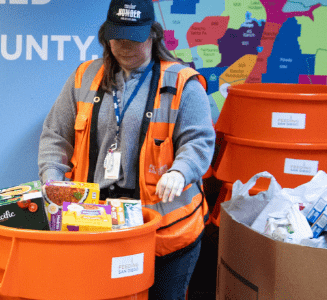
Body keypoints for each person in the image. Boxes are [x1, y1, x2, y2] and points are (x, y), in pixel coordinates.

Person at [37, 0, 216, 298]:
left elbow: (199, 141)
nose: (124, 45)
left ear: (153, 35)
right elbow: (55, 134)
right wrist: (52, 177)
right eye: (117, 37)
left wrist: (181, 171)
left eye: (135, 38)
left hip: (165, 229)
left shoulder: (183, 84)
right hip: (97, 223)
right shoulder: (84, 77)